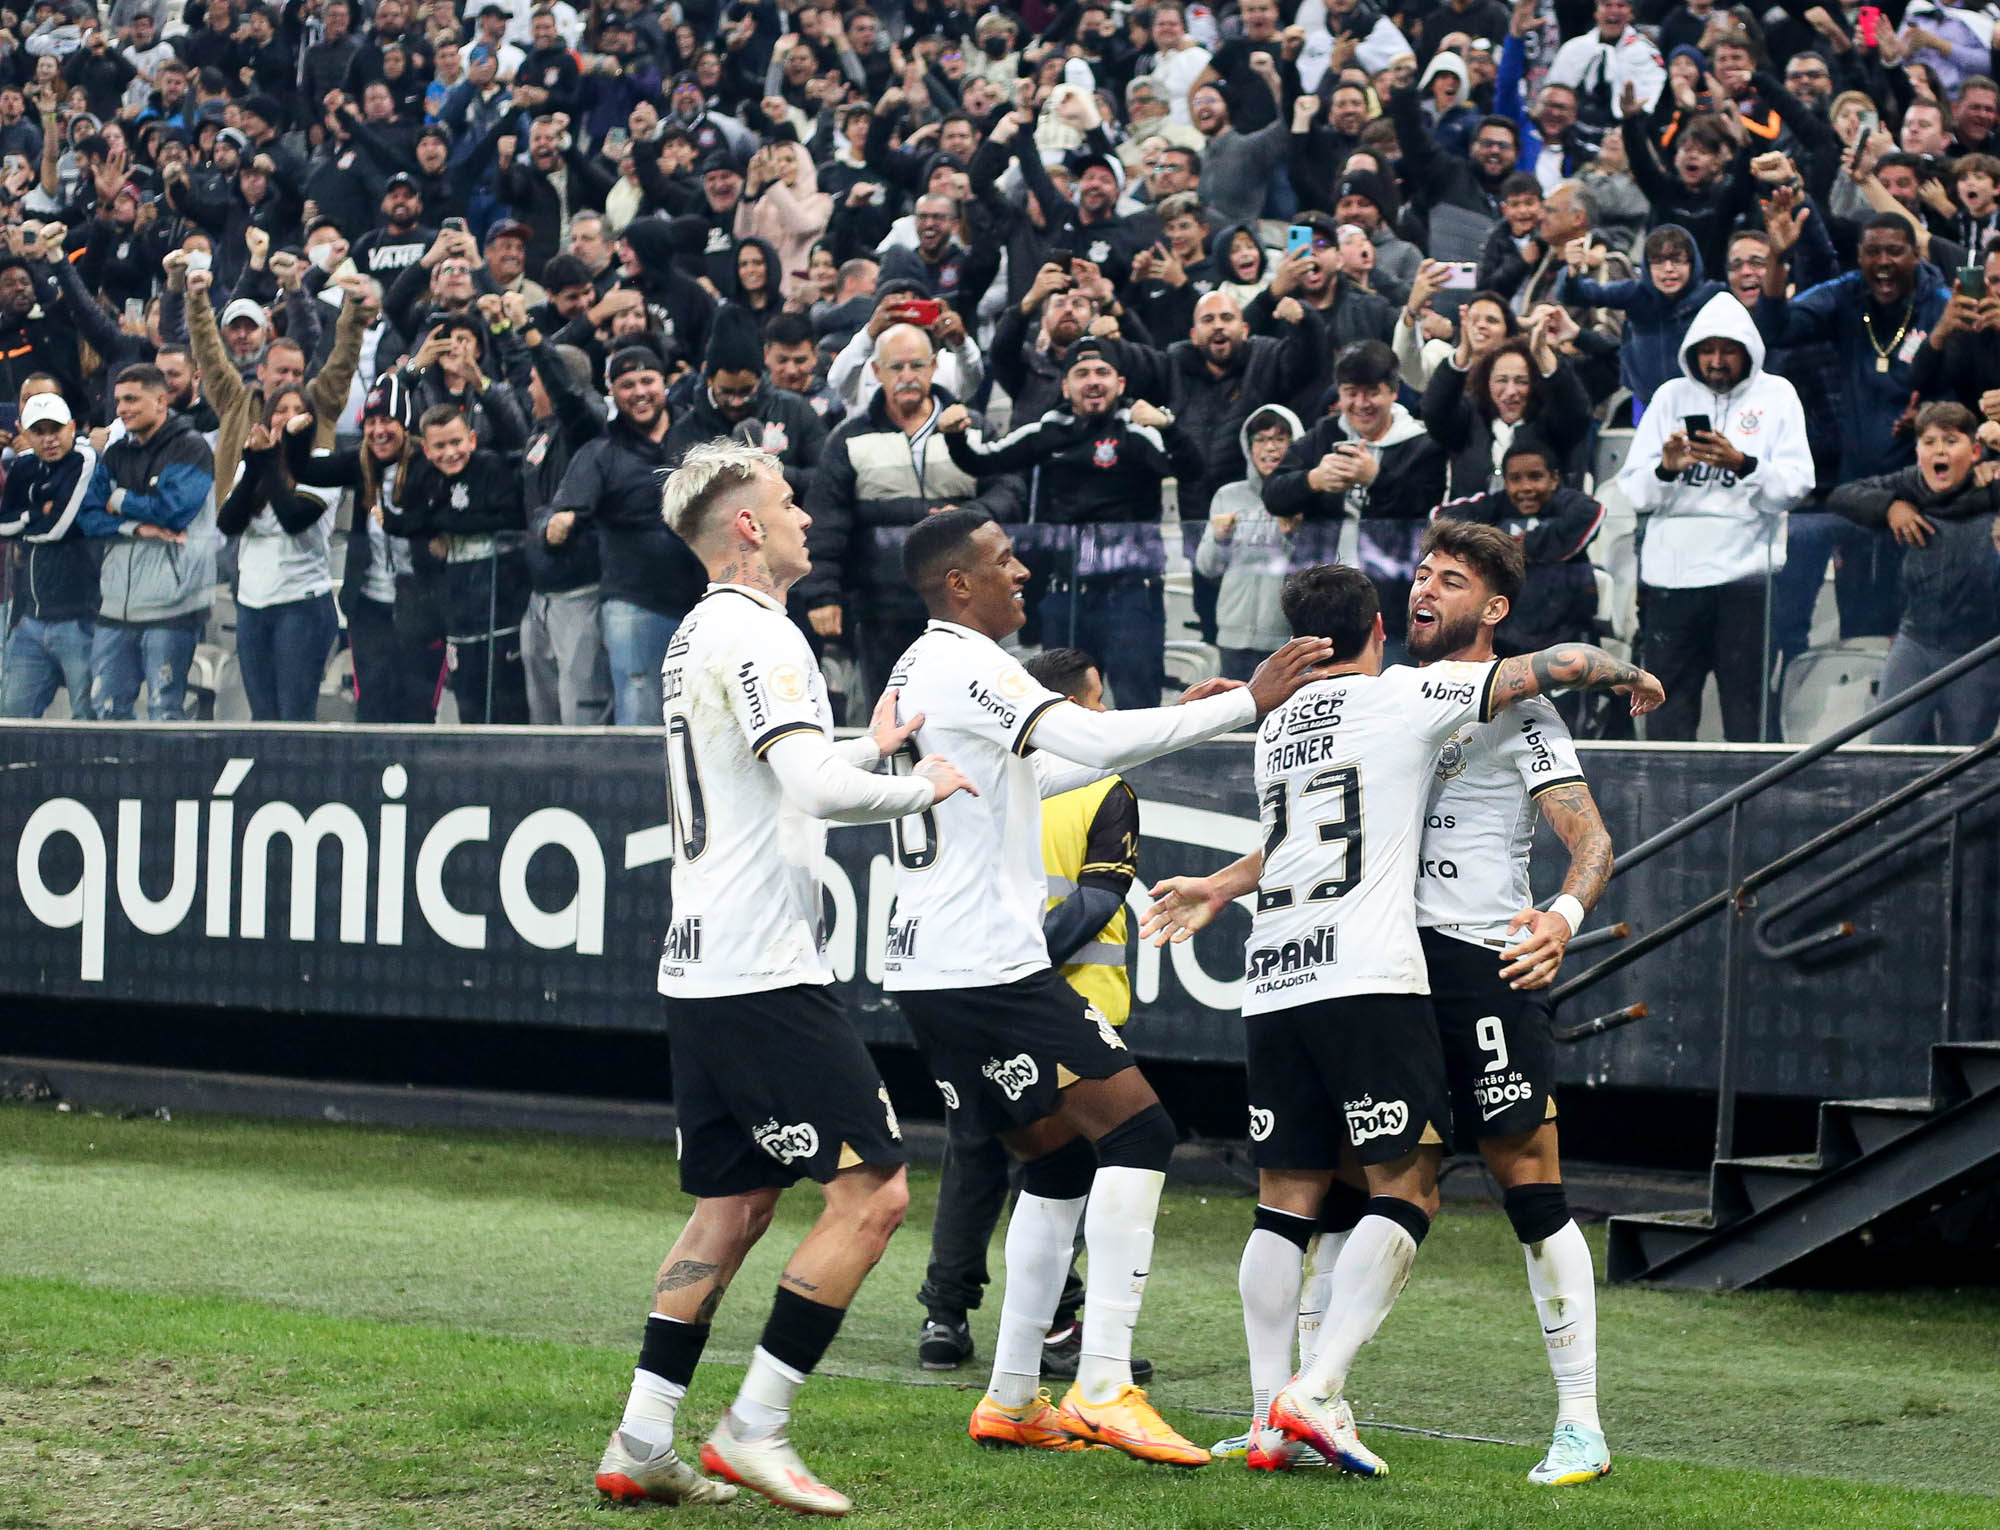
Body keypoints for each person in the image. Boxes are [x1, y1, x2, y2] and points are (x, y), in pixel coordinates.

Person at [1135, 559, 1658, 1476]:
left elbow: (1592, 838)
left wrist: (1564, 919)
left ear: (1493, 607)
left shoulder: (1513, 710)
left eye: (1450, 580)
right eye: (1418, 574)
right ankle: (1304, 1401)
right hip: (1381, 965)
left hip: (1479, 960)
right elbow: (1310, 828)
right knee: (1346, 1186)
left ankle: (1581, 1422)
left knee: (1525, 1182)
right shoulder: (1401, 695)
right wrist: (1222, 881)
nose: (1426, 590)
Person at [885, 507, 1332, 1467]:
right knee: (1140, 1130)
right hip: (986, 966)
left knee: (1054, 1162)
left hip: (929, 967)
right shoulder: (972, 660)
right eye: (1005, 562)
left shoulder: (919, 664)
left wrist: (1189, 718)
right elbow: (1080, 750)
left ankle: (1012, 1398)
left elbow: (1036, 773)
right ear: (960, 583)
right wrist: (1244, 703)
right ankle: (1103, 1383)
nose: (1024, 576)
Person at [592, 441, 975, 1517]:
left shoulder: (695, 635)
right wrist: (917, 786)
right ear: (746, 527)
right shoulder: (763, 636)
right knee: (876, 1194)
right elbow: (804, 783)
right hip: (764, 969)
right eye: (787, 500)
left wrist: (868, 743)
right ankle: (753, 1426)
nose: (807, 513)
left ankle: (639, 1439)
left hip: (702, 963)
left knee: (736, 1204)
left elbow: (771, 774)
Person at [914, 645, 1150, 1384]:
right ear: (1070, 709)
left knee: (973, 1155)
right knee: (1064, 1163)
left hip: (969, 985)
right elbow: (1100, 898)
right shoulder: (1103, 783)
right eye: (1098, 701)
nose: (1105, 714)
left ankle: (944, 1316)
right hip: (1054, 1001)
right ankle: (1058, 1333)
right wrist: (1025, 961)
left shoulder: (984, 768)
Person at [938, 337, 1201, 710]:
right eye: (1081, 373)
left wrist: (1168, 426)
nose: (1092, 381)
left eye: (1102, 372)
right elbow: (984, 462)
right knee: (1060, 705)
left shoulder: (1139, 431)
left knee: (1137, 706)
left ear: (1120, 384)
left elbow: (1193, 471)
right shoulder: (1049, 429)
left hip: (1131, 594)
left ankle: (1143, 773)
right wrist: (956, 437)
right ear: (1065, 386)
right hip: (1066, 595)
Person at [1619, 292, 1814, 741]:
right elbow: (1634, 490)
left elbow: (1798, 485)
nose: (1717, 360)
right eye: (1708, 350)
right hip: (1671, 580)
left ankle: (1759, 809)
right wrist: (1667, 468)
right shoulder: (1670, 396)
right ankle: (1671, 810)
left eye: (1728, 350)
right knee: (1668, 712)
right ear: (1693, 352)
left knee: (1748, 712)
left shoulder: (1778, 395)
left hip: (1746, 578)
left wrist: (1741, 463)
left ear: (1748, 350)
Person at [801, 323, 1023, 704]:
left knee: (972, 712)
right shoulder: (849, 438)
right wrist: (823, 595)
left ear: (934, 366)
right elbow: (826, 521)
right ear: (876, 372)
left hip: (968, 606)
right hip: (882, 607)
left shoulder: (972, 426)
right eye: (896, 367)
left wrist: (969, 515)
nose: (907, 377)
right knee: (893, 715)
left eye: (917, 365)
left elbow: (1010, 489)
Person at [1828, 402, 2000, 744]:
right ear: (1918, 450)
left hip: (1978, 652)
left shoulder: (1993, 485)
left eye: (1951, 442)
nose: (1939, 450)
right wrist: (1890, 507)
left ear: (1975, 450)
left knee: (1964, 762)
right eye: (1930, 442)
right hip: (1915, 644)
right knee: (1883, 748)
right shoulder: (1910, 485)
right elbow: (1841, 495)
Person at [550, 345, 705, 726]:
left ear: (666, 383)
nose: (639, 392)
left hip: (705, 604)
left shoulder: (698, 437)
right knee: (640, 712)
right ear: (612, 392)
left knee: (706, 713)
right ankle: (643, 789)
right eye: (626, 384)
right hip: (635, 606)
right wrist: (556, 523)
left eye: (647, 380)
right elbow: (564, 510)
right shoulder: (601, 451)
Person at [286, 374, 443, 724]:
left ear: (404, 424)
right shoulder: (361, 462)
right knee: (371, 705)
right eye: (370, 422)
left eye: (386, 420)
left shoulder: (428, 464)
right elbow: (304, 469)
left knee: (417, 708)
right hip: (369, 607)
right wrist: (294, 435)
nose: (378, 431)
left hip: (420, 606)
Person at [77, 363, 219, 722]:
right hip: (115, 607)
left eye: (131, 399)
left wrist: (121, 500)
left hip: (172, 607)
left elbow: (173, 510)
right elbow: (89, 516)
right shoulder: (115, 454)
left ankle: (168, 781)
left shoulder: (191, 448)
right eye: (119, 401)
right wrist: (137, 528)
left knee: (164, 710)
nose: (122, 409)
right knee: (106, 709)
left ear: (160, 401)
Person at [391, 404, 531, 725]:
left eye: (456, 442)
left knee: (508, 706)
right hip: (459, 618)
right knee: (469, 705)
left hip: (502, 614)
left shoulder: (491, 469)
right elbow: (414, 523)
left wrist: (447, 523)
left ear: (471, 438)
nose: (450, 453)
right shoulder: (426, 481)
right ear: (425, 449)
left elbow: (511, 516)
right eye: (440, 446)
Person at [215, 395, 340, 721]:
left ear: (311, 421)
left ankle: (301, 774)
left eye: (299, 411)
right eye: (280, 410)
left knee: (294, 715)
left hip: (301, 605)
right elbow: (228, 523)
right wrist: (255, 465)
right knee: (262, 715)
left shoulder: (322, 463)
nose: (288, 417)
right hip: (252, 606)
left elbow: (293, 519)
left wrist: (267, 462)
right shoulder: (251, 466)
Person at [0, 390, 98, 719]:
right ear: (25, 435)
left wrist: (25, 521)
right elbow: (3, 525)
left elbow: (56, 529)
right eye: (38, 432)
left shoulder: (82, 460)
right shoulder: (24, 467)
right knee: (12, 718)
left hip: (80, 618)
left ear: (71, 427)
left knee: (88, 716)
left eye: (54, 429)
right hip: (30, 619)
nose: (48, 439)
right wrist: (34, 512)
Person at [1196, 404, 1306, 681]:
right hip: (1233, 637)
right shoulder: (1227, 496)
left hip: (1287, 639)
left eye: (1280, 439)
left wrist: (1293, 535)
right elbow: (1207, 567)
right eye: (1260, 439)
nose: (1269, 448)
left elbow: (1316, 572)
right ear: (1249, 447)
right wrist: (1220, 540)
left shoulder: (1307, 495)